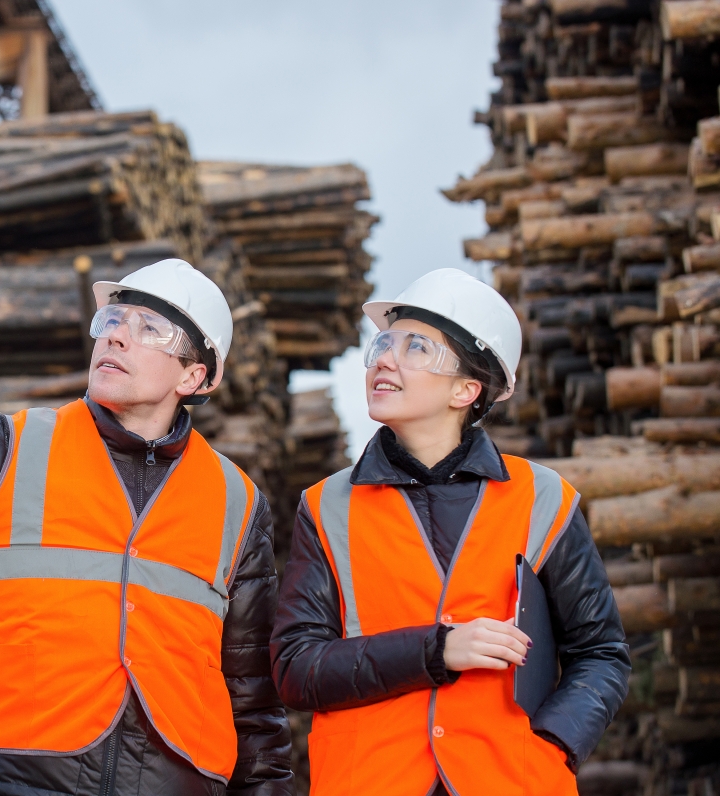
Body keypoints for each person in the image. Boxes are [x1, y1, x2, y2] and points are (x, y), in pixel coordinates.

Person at [0, 181, 293, 795]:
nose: (116, 335)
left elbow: (251, 697)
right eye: (112, 319)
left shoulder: (237, 503)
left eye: (149, 327)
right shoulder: (11, 451)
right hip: (18, 780)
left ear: (195, 375)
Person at [270, 268, 630, 795]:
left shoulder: (542, 499)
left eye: (417, 348)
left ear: (467, 389)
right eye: (385, 344)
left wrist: (552, 742)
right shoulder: (327, 507)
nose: (386, 360)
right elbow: (296, 670)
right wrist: (435, 650)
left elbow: (600, 652)